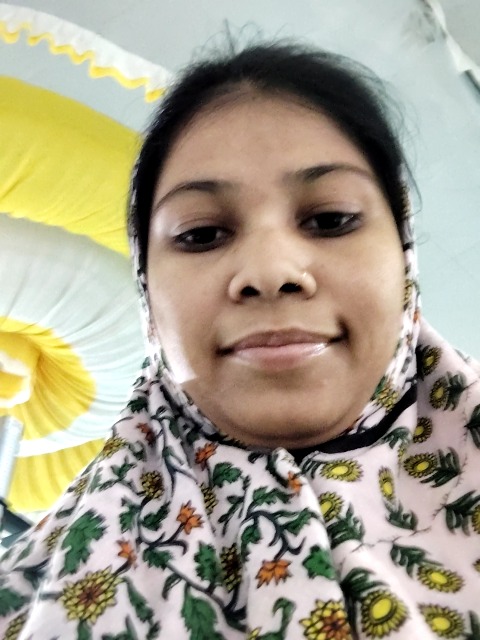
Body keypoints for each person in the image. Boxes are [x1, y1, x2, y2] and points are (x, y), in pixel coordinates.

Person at [1, 41, 479, 640]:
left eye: (330, 219)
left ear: (403, 253)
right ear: (147, 288)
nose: (270, 271)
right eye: (202, 233)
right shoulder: (28, 592)